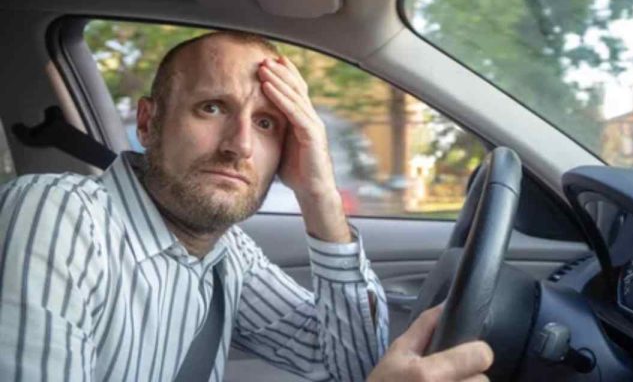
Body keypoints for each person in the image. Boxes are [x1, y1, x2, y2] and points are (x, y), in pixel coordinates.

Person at [0, 31, 492, 381]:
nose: (239, 146)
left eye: (267, 125)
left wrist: (318, 195)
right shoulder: (57, 215)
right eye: (212, 108)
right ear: (148, 122)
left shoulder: (226, 254)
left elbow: (353, 366)